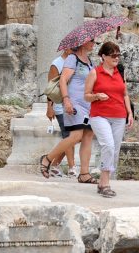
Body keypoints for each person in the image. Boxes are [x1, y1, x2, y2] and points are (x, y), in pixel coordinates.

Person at [41, 38, 97, 184]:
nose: (94, 43)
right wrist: (66, 99)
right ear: (83, 42)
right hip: (74, 103)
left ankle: (84, 173)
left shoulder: (90, 61)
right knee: (76, 136)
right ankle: (47, 159)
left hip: (87, 104)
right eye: (91, 41)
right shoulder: (73, 59)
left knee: (88, 135)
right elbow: (63, 80)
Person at [84, 41, 133, 198]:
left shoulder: (119, 71)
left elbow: (124, 93)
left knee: (115, 150)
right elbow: (86, 95)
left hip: (119, 115)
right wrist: (97, 96)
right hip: (99, 115)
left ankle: (102, 183)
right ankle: (105, 183)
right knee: (109, 146)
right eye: (113, 55)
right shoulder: (95, 73)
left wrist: (130, 113)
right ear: (103, 56)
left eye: (118, 55)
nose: (116, 58)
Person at [41, 49, 76, 178]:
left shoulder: (75, 62)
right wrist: (49, 107)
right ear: (66, 48)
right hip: (61, 106)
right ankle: (72, 168)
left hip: (73, 106)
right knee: (68, 136)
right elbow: (51, 87)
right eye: (73, 48)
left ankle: (54, 164)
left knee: (73, 137)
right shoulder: (56, 64)